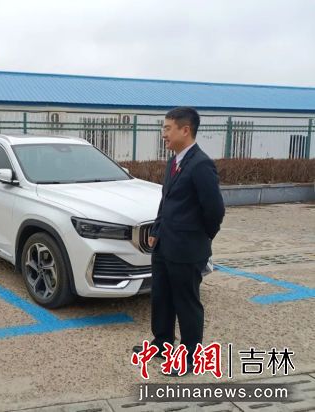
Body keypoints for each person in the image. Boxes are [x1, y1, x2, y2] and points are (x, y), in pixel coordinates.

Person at [133, 107, 225, 376]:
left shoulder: (201, 164)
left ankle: (190, 357)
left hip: (187, 249)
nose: (164, 134)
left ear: (185, 130)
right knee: (161, 297)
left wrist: (201, 237)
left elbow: (215, 210)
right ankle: (162, 343)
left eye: (167, 128)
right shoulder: (174, 162)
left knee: (186, 303)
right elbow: (167, 200)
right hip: (164, 244)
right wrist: (157, 229)